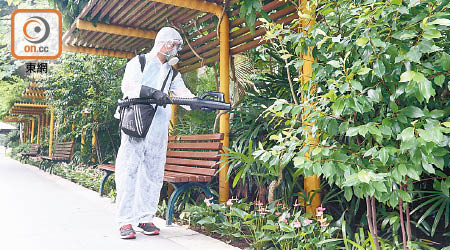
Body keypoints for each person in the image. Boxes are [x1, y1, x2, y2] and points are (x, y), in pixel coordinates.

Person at [114, 27, 195, 239]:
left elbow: (182, 93)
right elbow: (128, 86)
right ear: (163, 43)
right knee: (128, 170)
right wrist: (150, 92)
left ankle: (145, 217)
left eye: (178, 45)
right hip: (137, 123)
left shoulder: (171, 71)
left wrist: (199, 103)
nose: (175, 48)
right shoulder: (139, 63)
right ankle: (125, 221)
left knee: (153, 172)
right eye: (173, 44)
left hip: (158, 127)